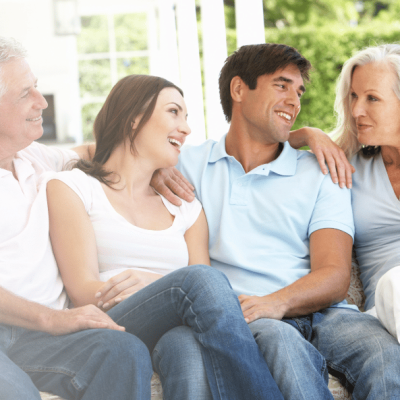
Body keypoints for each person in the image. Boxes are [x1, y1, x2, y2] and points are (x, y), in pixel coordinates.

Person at [153, 43, 400, 399]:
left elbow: (334, 275)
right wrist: (153, 171)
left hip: (326, 314)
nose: (295, 101)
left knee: (385, 357)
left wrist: (277, 302)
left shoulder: (322, 171)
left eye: (298, 91)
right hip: (250, 315)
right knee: (283, 344)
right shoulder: (187, 166)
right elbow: (112, 156)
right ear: (239, 89)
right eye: (281, 86)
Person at [46, 73, 285, 400]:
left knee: (185, 349)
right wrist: (164, 287)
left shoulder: (186, 208)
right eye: (174, 112)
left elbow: (210, 304)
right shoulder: (74, 188)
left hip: (173, 327)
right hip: (107, 323)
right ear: (133, 119)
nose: (186, 128)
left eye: (186, 117)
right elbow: (83, 292)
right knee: (199, 280)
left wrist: (155, 284)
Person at [0, 36, 153, 400]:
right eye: (26, 94)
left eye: (37, 87)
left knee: (124, 351)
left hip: (38, 338)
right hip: (25, 326)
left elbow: (96, 152)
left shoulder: (33, 158)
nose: (42, 102)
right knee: (16, 393)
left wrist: (152, 168)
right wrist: (52, 319)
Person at [331, 44, 400, 342]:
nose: (357, 110)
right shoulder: (346, 169)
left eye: (372, 98)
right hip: (386, 311)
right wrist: (307, 135)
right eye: (354, 96)